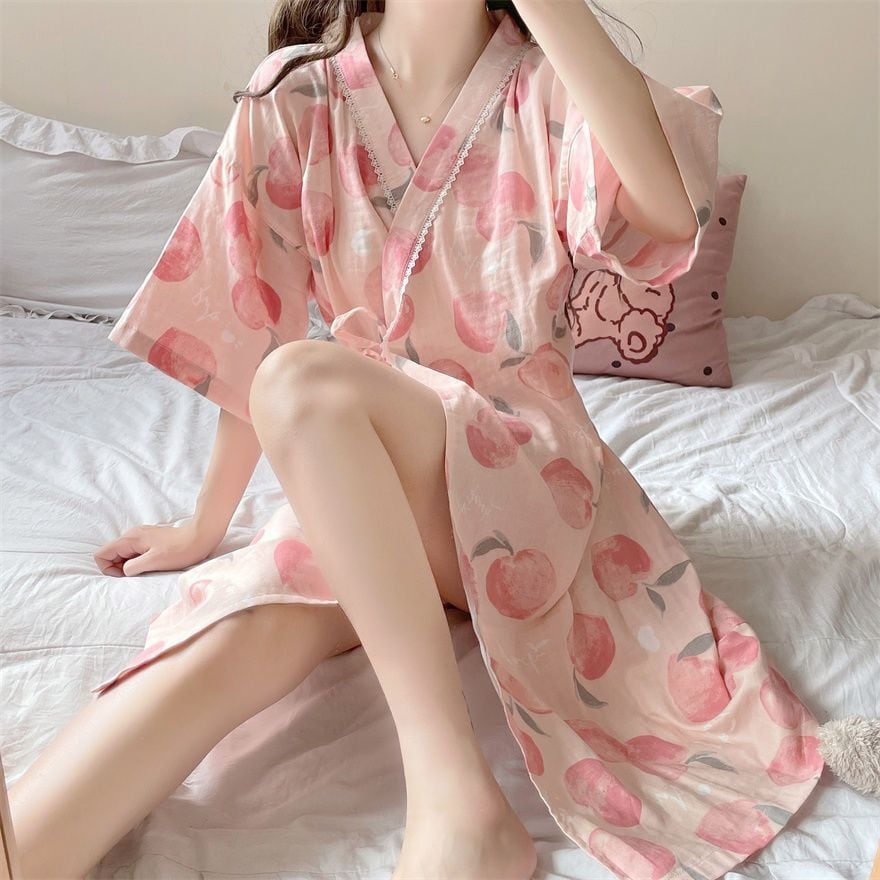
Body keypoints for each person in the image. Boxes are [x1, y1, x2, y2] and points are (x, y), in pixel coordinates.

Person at [8, 1, 878, 878]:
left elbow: (672, 213)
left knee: (302, 384)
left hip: (528, 477)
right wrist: (205, 526)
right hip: (364, 471)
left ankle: (456, 800)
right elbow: (250, 320)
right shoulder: (296, 94)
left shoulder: (549, 87)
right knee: (241, 630)